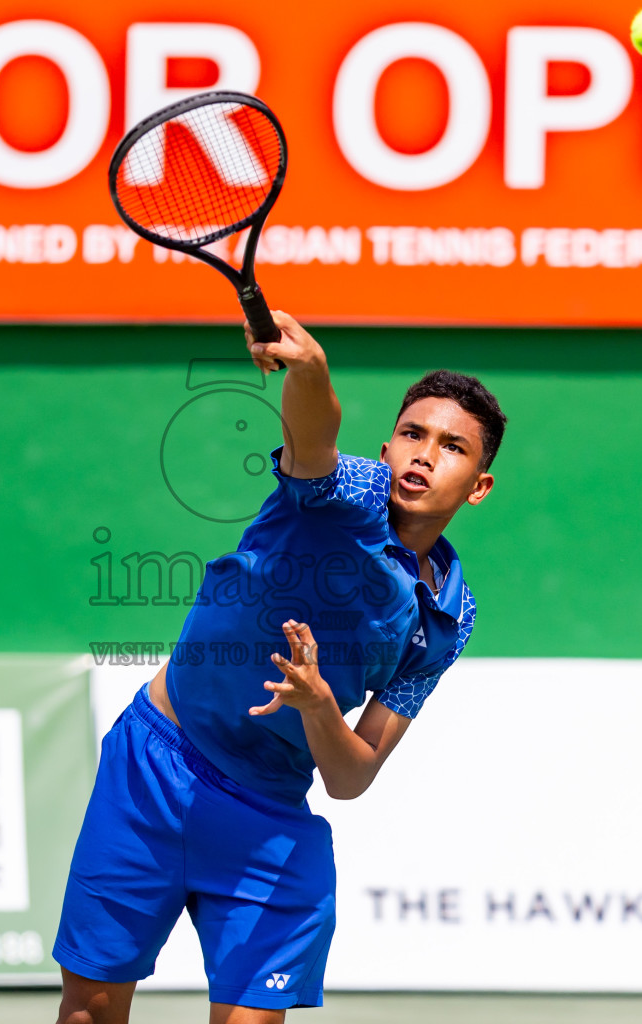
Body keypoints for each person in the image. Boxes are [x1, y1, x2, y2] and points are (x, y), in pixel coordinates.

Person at [54, 311, 505, 1023]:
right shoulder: (347, 492)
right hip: (155, 767)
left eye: (452, 447)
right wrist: (309, 370)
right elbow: (313, 435)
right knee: (90, 1010)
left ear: (478, 485)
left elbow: (351, 777)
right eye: (413, 435)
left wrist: (320, 705)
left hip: (268, 815)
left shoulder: (449, 618)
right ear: (386, 447)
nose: (424, 456)